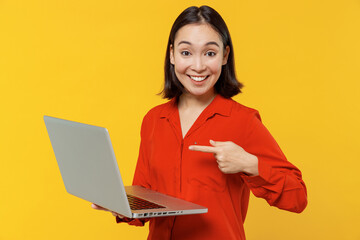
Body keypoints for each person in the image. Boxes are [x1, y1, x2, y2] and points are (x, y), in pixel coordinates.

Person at [92, 5, 307, 240]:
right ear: (172, 55)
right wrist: (120, 206)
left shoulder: (243, 121)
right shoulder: (154, 120)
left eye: (210, 53)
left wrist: (250, 164)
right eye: (186, 53)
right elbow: (146, 199)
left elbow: (297, 198)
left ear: (225, 56)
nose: (198, 66)